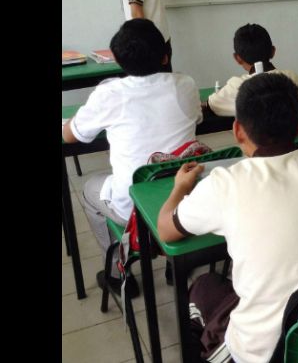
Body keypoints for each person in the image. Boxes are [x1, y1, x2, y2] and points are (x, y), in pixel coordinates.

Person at [157, 73, 298, 362]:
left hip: (265, 351)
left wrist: (179, 189)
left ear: (237, 131)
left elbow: (165, 230)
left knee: (203, 286)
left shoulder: (224, 183)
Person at [62, 19, 202, 294]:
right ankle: (177, 265)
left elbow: (71, 136)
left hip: (134, 206)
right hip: (183, 198)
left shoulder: (109, 93)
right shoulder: (185, 84)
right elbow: (197, 115)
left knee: (88, 191)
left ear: (116, 59)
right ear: (165, 55)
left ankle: (118, 273)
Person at [204, 23, 298, 117]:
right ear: (273, 51)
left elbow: (212, 104)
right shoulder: (292, 78)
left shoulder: (237, 86)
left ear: (237, 58)